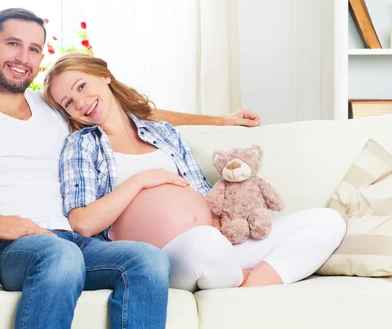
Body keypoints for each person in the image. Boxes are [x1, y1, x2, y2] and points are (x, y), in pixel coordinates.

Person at [0, 8, 260, 329]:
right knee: (60, 255)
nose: (22, 57)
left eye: (33, 49)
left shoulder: (53, 107)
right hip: (13, 246)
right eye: (12, 44)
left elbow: (134, 112)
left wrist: (217, 120)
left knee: (148, 260)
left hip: (77, 241)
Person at [43, 51, 347, 292]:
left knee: (326, 221)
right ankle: (233, 276)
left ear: (104, 76)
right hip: (169, 260)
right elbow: (83, 222)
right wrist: (141, 180)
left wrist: (225, 225)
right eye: (68, 102)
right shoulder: (81, 145)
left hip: (220, 245)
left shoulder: (162, 132)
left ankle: (248, 286)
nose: (80, 102)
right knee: (204, 242)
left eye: (81, 86)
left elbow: (203, 191)